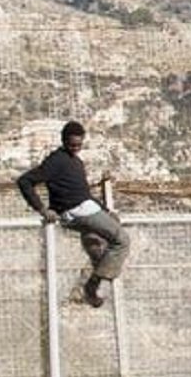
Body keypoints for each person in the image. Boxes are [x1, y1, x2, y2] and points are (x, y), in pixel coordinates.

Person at [16, 121, 129, 307]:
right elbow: (24, 181)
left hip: (85, 209)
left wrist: (106, 211)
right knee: (122, 240)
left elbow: (83, 193)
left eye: (79, 144)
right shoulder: (56, 161)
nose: (75, 148)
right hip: (78, 213)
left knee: (99, 252)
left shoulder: (75, 162)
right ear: (63, 141)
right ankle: (91, 286)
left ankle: (84, 292)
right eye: (71, 144)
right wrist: (42, 209)